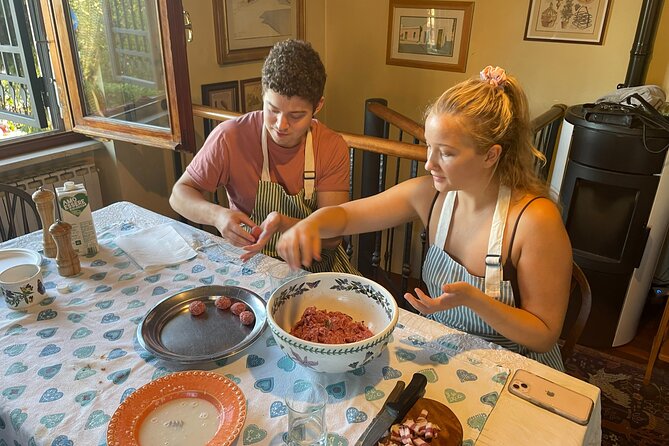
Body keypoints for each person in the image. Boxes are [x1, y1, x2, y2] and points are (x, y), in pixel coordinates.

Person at [276, 66, 572, 370]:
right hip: (452, 354)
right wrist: (311, 223)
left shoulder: (535, 220)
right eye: (429, 147)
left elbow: (544, 335)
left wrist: (474, 299)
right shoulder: (430, 195)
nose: (429, 163)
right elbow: (347, 217)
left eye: (446, 153)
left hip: (519, 370)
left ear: (491, 155)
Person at [169, 39, 356, 274]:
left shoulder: (330, 147)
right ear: (263, 93)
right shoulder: (230, 137)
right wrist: (217, 216)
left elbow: (332, 237)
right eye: (272, 110)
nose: (281, 125)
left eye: (296, 115)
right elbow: (179, 194)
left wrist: (285, 224)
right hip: (251, 264)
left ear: (318, 106)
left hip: (315, 269)